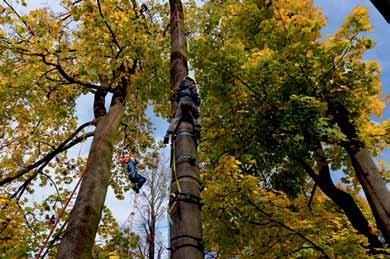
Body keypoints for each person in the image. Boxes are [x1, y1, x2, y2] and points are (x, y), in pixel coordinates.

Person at [164, 76, 201, 144]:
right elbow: (194, 94)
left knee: (176, 118)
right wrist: (197, 101)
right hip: (190, 102)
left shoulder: (181, 85)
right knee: (196, 116)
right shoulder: (191, 85)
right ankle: (197, 130)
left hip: (181, 103)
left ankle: (168, 133)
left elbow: (177, 98)